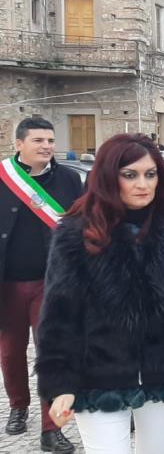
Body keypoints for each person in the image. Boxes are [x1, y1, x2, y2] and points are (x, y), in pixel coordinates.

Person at [36, 134, 164, 453]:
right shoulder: (75, 233)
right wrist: (59, 384)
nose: (142, 183)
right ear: (107, 177)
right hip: (97, 378)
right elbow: (60, 316)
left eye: (150, 173)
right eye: (129, 175)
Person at [0, 118, 82, 453]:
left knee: (53, 355)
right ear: (19, 144)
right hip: (7, 284)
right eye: (38, 140)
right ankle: (18, 406)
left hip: (52, 284)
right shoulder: (3, 178)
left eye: (50, 140)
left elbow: (81, 227)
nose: (47, 146)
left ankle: (52, 428)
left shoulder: (68, 179)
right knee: (9, 353)